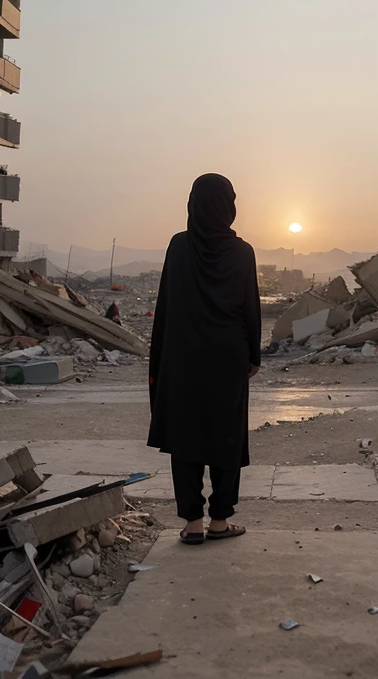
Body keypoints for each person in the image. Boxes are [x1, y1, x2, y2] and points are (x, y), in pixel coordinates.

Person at [147, 174, 261, 544]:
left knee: (186, 435)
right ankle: (220, 522)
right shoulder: (243, 252)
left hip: (182, 357)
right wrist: (253, 355)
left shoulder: (178, 247)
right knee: (226, 436)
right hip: (228, 356)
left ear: (192, 204)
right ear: (228, 206)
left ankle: (192, 523)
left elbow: (165, 306)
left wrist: (159, 358)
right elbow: (250, 309)